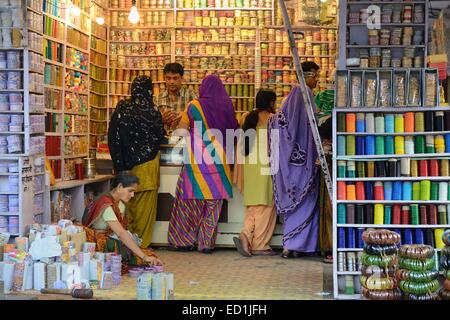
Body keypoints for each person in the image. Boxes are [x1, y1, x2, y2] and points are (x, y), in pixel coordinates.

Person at [168, 75, 239, 253]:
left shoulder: (193, 105)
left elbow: (181, 131)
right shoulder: (227, 105)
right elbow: (235, 131)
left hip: (197, 163)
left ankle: (184, 241)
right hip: (220, 163)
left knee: (191, 203)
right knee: (214, 205)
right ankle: (206, 243)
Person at [108, 75, 166, 248]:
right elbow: (159, 137)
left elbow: (113, 137)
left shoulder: (122, 108)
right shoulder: (153, 112)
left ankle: (124, 245)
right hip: (147, 169)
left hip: (125, 168)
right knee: (144, 212)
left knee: (125, 209)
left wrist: (120, 165)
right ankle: (139, 248)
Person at [268, 86, 320, 259]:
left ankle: (289, 246)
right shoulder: (310, 119)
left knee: (293, 206)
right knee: (307, 206)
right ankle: (303, 247)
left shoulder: (281, 119)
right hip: (307, 169)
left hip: (289, 171)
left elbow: (275, 130)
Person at [82, 172, 163, 270]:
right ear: (120, 187)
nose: (132, 195)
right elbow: (121, 233)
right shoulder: (106, 204)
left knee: (147, 254)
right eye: (130, 191)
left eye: (134, 192)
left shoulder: (120, 204)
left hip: (113, 237)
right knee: (136, 257)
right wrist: (144, 257)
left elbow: (123, 232)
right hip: (101, 242)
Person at [233, 89, 278, 257]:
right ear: (271, 103)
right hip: (265, 166)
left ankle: (245, 235)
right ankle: (260, 245)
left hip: (249, 166)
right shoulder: (273, 119)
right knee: (265, 206)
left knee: (252, 206)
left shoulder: (246, 117)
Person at [154, 63, 197, 131]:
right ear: (165, 78)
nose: (171, 82)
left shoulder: (192, 96)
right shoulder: (157, 98)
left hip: (185, 139)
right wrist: (161, 120)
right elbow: (153, 123)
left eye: (175, 78)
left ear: (182, 78)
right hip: (165, 139)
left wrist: (186, 117)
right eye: (168, 78)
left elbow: (200, 121)